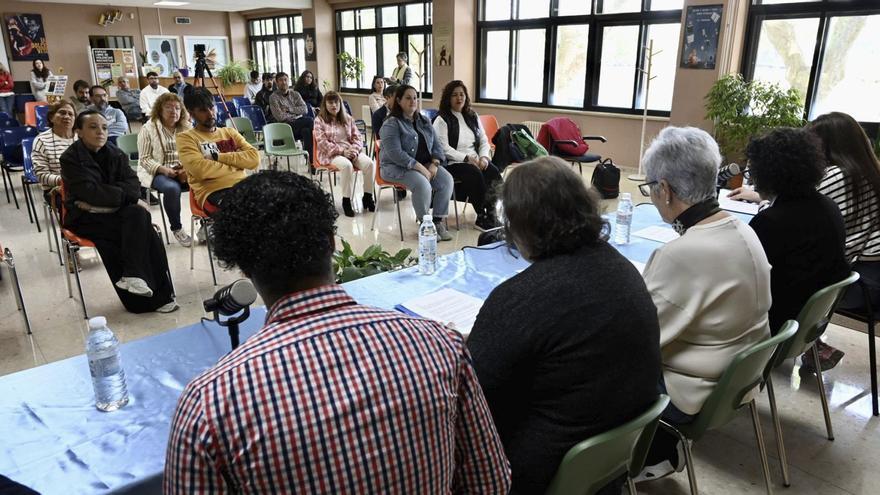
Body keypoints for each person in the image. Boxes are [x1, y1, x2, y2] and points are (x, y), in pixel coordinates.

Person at [165, 170, 511, 494]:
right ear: (331, 241)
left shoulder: (209, 406)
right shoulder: (439, 344)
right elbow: (491, 483)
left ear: (240, 265)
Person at [468, 156, 661, 494]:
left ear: (521, 224)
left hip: (544, 467)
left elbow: (473, 402)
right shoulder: (623, 269)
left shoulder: (520, 298)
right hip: (614, 453)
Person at [637, 126, 772, 481]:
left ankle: (629, 458)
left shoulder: (679, 254)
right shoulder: (745, 229)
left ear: (664, 190)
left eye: (650, 188)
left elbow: (636, 340)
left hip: (693, 394)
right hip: (736, 378)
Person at [745, 128, 850, 370]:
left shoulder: (771, 223)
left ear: (768, 173)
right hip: (803, 324)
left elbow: (744, 286)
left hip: (773, 327)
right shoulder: (828, 207)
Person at [60, 110, 177, 314]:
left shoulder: (115, 153)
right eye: (93, 127)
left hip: (114, 212)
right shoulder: (70, 159)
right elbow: (90, 192)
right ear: (78, 131)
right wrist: (120, 197)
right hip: (85, 218)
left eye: (104, 128)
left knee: (141, 220)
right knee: (132, 231)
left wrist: (112, 199)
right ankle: (141, 301)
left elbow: (133, 184)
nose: (100, 132)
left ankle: (136, 278)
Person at [810, 112, 880, 319]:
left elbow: (793, 214)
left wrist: (765, 200)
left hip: (861, 286)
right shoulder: (869, 172)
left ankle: (798, 343)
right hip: (872, 281)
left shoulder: (837, 176)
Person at [379, 84, 454, 241]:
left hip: (424, 165)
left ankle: (437, 221)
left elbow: (437, 145)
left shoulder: (424, 120)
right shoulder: (391, 123)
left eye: (415, 97)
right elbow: (395, 154)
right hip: (394, 167)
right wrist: (420, 168)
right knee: (422, 184)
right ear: (398, 101)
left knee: (446, 180)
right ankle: (424, 224)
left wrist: (435, 163)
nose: (413, 101)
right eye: (408, 98)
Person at [177, 87, 259, 217]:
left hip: (243, 186)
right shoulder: (186, 138)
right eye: (203, 110)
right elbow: (201, 171)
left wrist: (217, 157)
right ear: (191, 114)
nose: (210, 114)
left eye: (212, 107)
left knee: (274, 204)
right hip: (213, 192)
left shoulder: (229, 132)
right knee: (242, 212)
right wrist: (237, 165)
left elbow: (254, 159)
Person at [433, 80, 503, 231]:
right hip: (452, 163)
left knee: (493, 171)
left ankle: (491, 213)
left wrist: (484, 157)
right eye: (455, 95)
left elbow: (484, 140)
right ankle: (481, 215)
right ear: (448, 98)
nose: (459, 98)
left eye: (462, 94)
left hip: (476, 160)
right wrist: (466, 158)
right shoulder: (442, 119)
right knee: (473, 173)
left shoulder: (472, 116)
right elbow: (443, 148)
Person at [137, 93, 193, 247]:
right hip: (157, 171)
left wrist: (187, 166)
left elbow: (195, 151)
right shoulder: (148, 128)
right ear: (159, 110)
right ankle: (177, 228)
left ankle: (204, 224)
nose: (173, 111)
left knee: (204, 181)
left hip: (183, 170)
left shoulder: (187, 127)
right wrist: (163, 169)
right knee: (171, 188)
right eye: (168, 107)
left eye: (177, 108)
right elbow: (145, 159)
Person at [313, 91, 375, 217]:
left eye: (336, 102)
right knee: (347, 166)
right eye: (330, 102)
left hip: (350, 151)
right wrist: (342, 152)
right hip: (331, 154)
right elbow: (322, 143)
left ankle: (367, 197)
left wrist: (355, 150)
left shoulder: (348, 118)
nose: (334, 105)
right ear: (325, 104)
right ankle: (346, 201)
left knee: (369, 163)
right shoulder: (319, 121)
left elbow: (357, 137)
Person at [33, 100, 77, 198]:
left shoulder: (81, 138)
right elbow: (41, 175)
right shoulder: (41, 141)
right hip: (56, 189)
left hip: (84, 185)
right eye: (62, 112)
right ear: (51, 117)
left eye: (71, 114)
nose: (67, 116)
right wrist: (65, 181)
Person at [269, 71, 314, 161]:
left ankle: (311, 161)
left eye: (285, 80)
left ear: (288, 81)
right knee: (310, 121)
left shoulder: (295, 94)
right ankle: (316, 155)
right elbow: (280, 117)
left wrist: (289, 109)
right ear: (276, 83)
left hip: (297, 124)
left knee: (306, 131)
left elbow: (304, 109)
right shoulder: (273, 97)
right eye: (281, 80)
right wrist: (296, 113)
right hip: (284, 127)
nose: (284, 82)